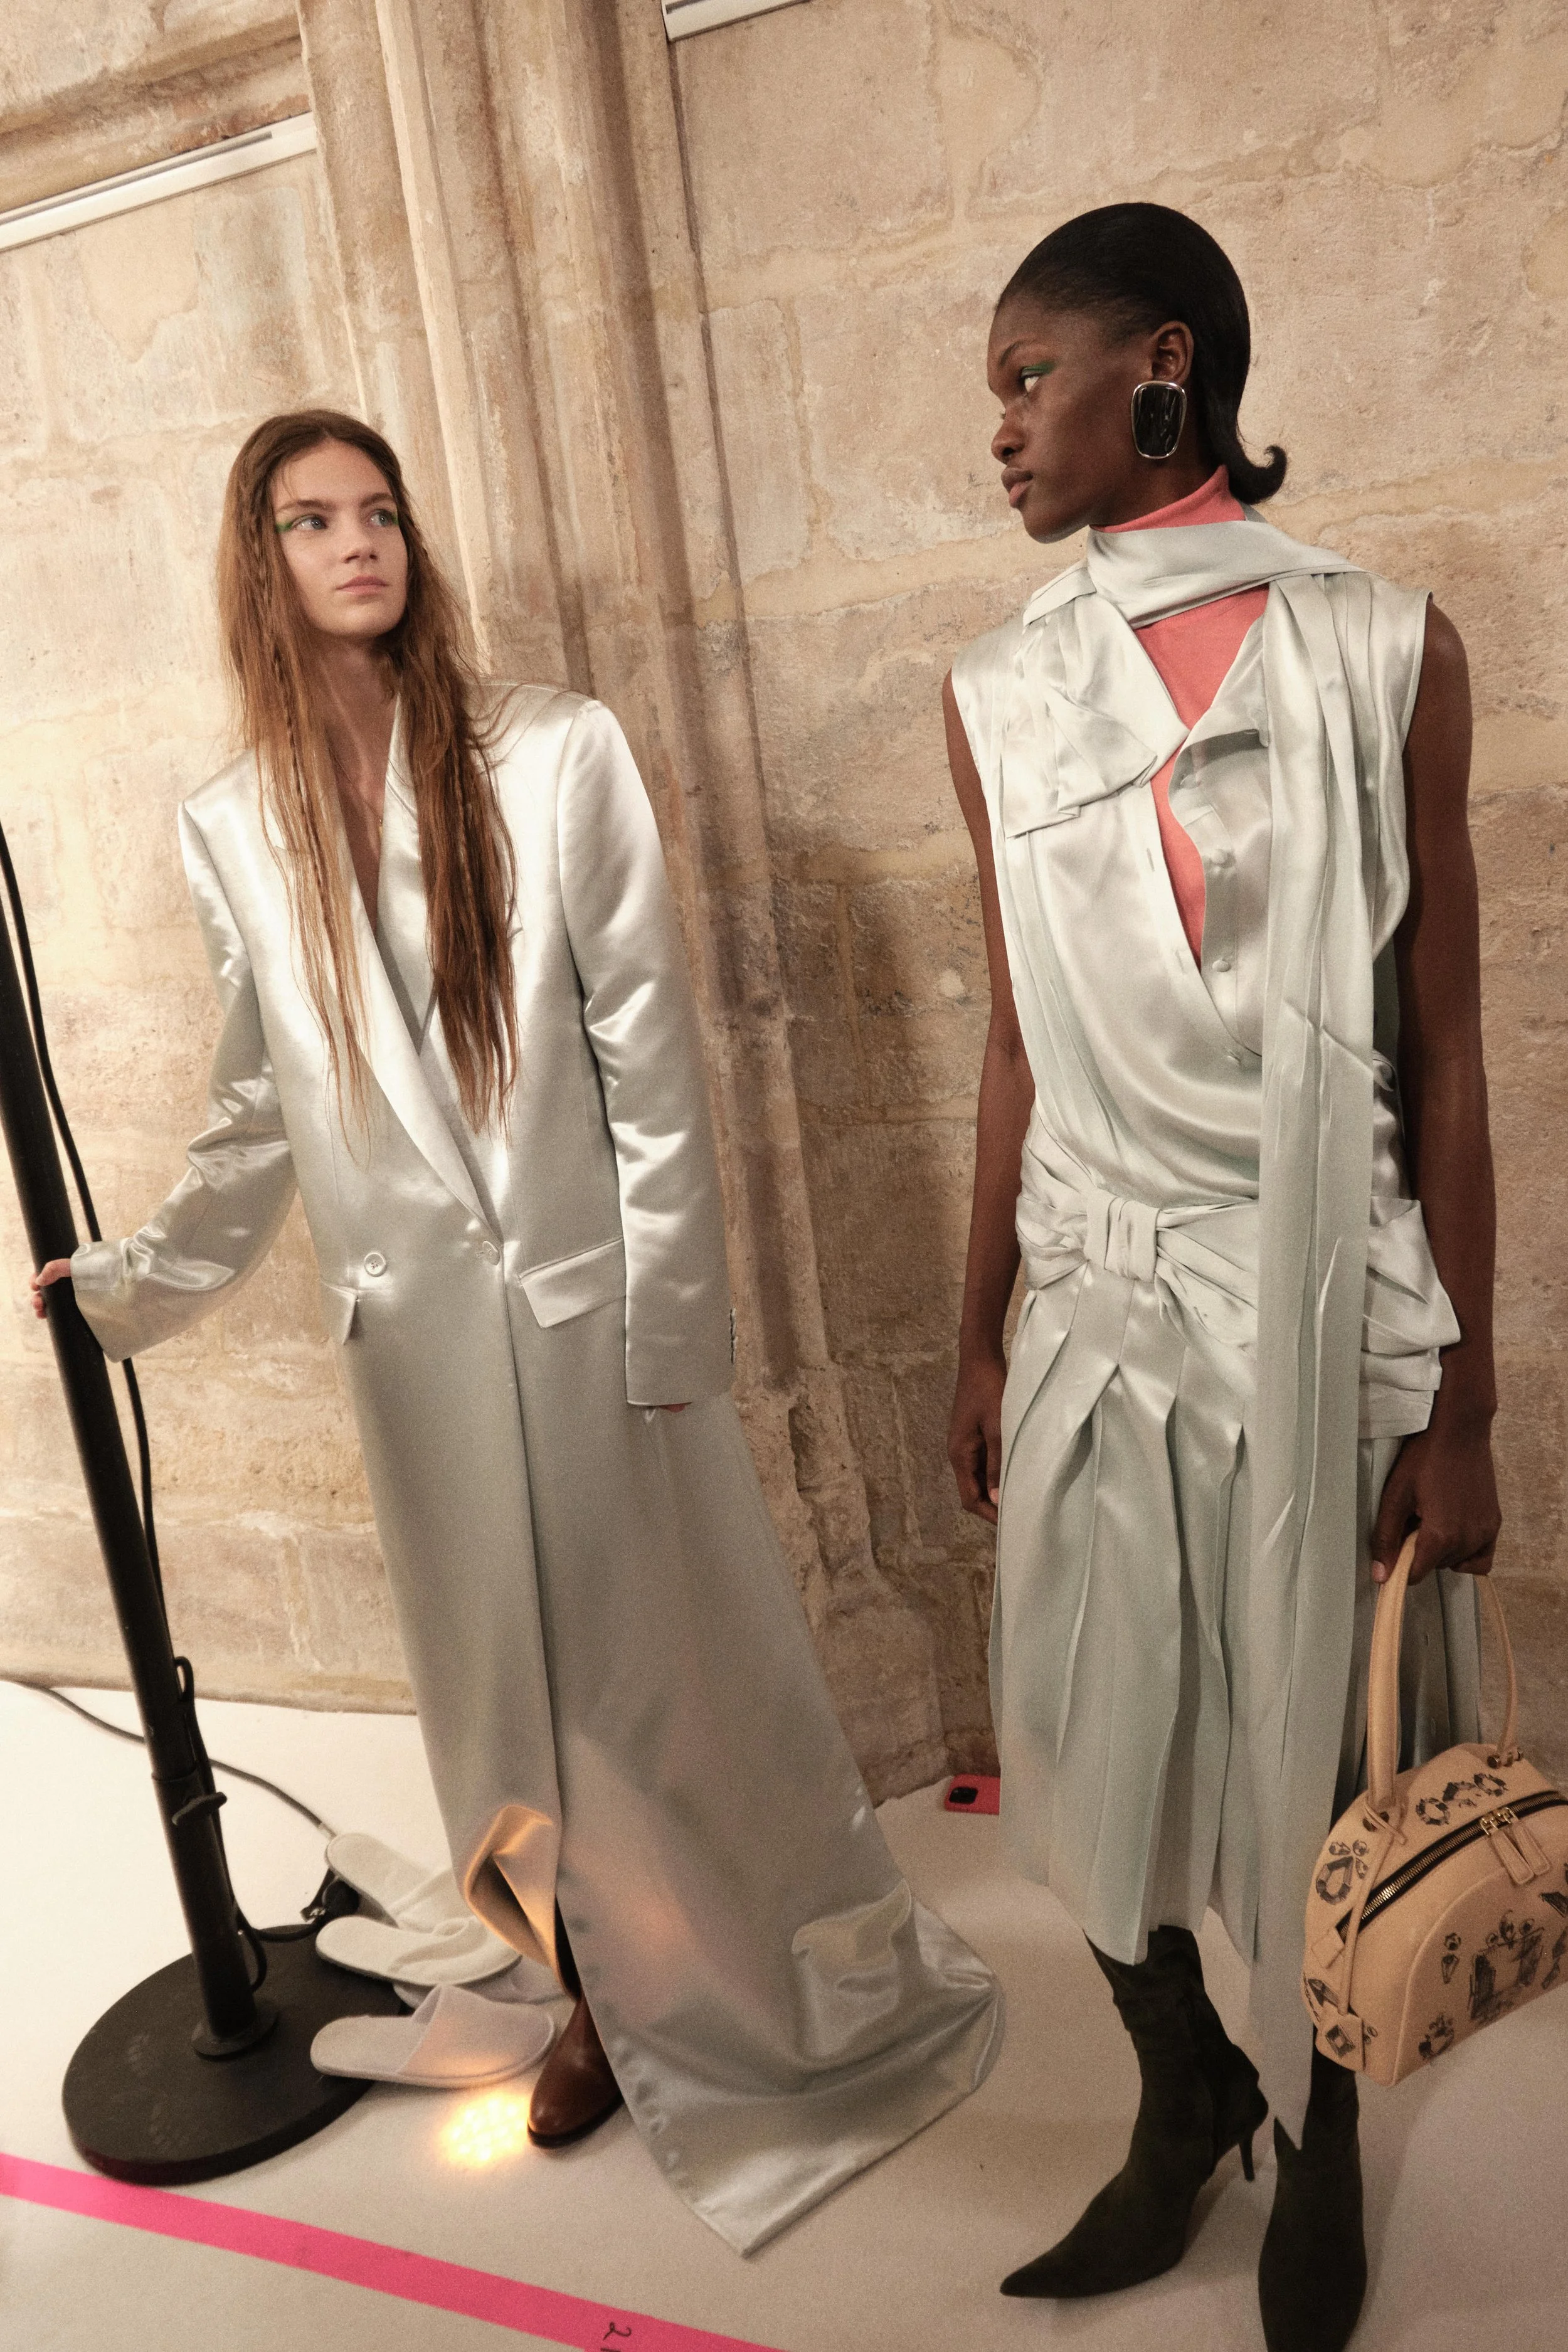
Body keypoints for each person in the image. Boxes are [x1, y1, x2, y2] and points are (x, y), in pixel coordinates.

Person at [31, 408, 1000, 2255]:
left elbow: (648, 1048)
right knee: (499, 1706)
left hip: (590, 1320)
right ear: (261, 566)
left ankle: (737, 1975)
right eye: (312, 520)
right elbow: (259, 1104)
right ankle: (587, 1992)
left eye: (379, 510)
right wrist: (135, 1276)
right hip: (417, 1358)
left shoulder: (554, 755)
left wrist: (670, 1323)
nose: (358, 542)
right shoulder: (234, 825)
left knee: (667, 1676)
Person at [943, 206, 1498, 2349]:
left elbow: (1444, 1053)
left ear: (1161, 365)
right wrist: (974, 1319)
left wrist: (1465, 1408)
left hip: (1319, 1303)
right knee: (1082, 1737)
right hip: (1090, 1289)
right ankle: (1187, 2093)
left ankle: (1329, 2151)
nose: (994, 429)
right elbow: (1012, 1036)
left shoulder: (1384, 649)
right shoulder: (995, 692)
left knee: (1329, 1771)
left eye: (1025, 376)